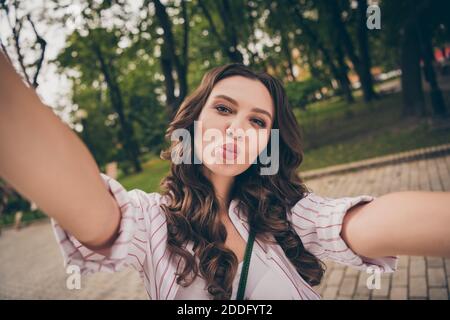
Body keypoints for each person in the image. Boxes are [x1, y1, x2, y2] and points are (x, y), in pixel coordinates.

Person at [0, 50, 449, 300]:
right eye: (223, 109)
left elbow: (370, 222)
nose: (237, 128)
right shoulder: (152, 221)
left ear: (267, 143)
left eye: (257, 121)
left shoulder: (289, 215)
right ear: (192, 124)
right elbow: (93, 211)